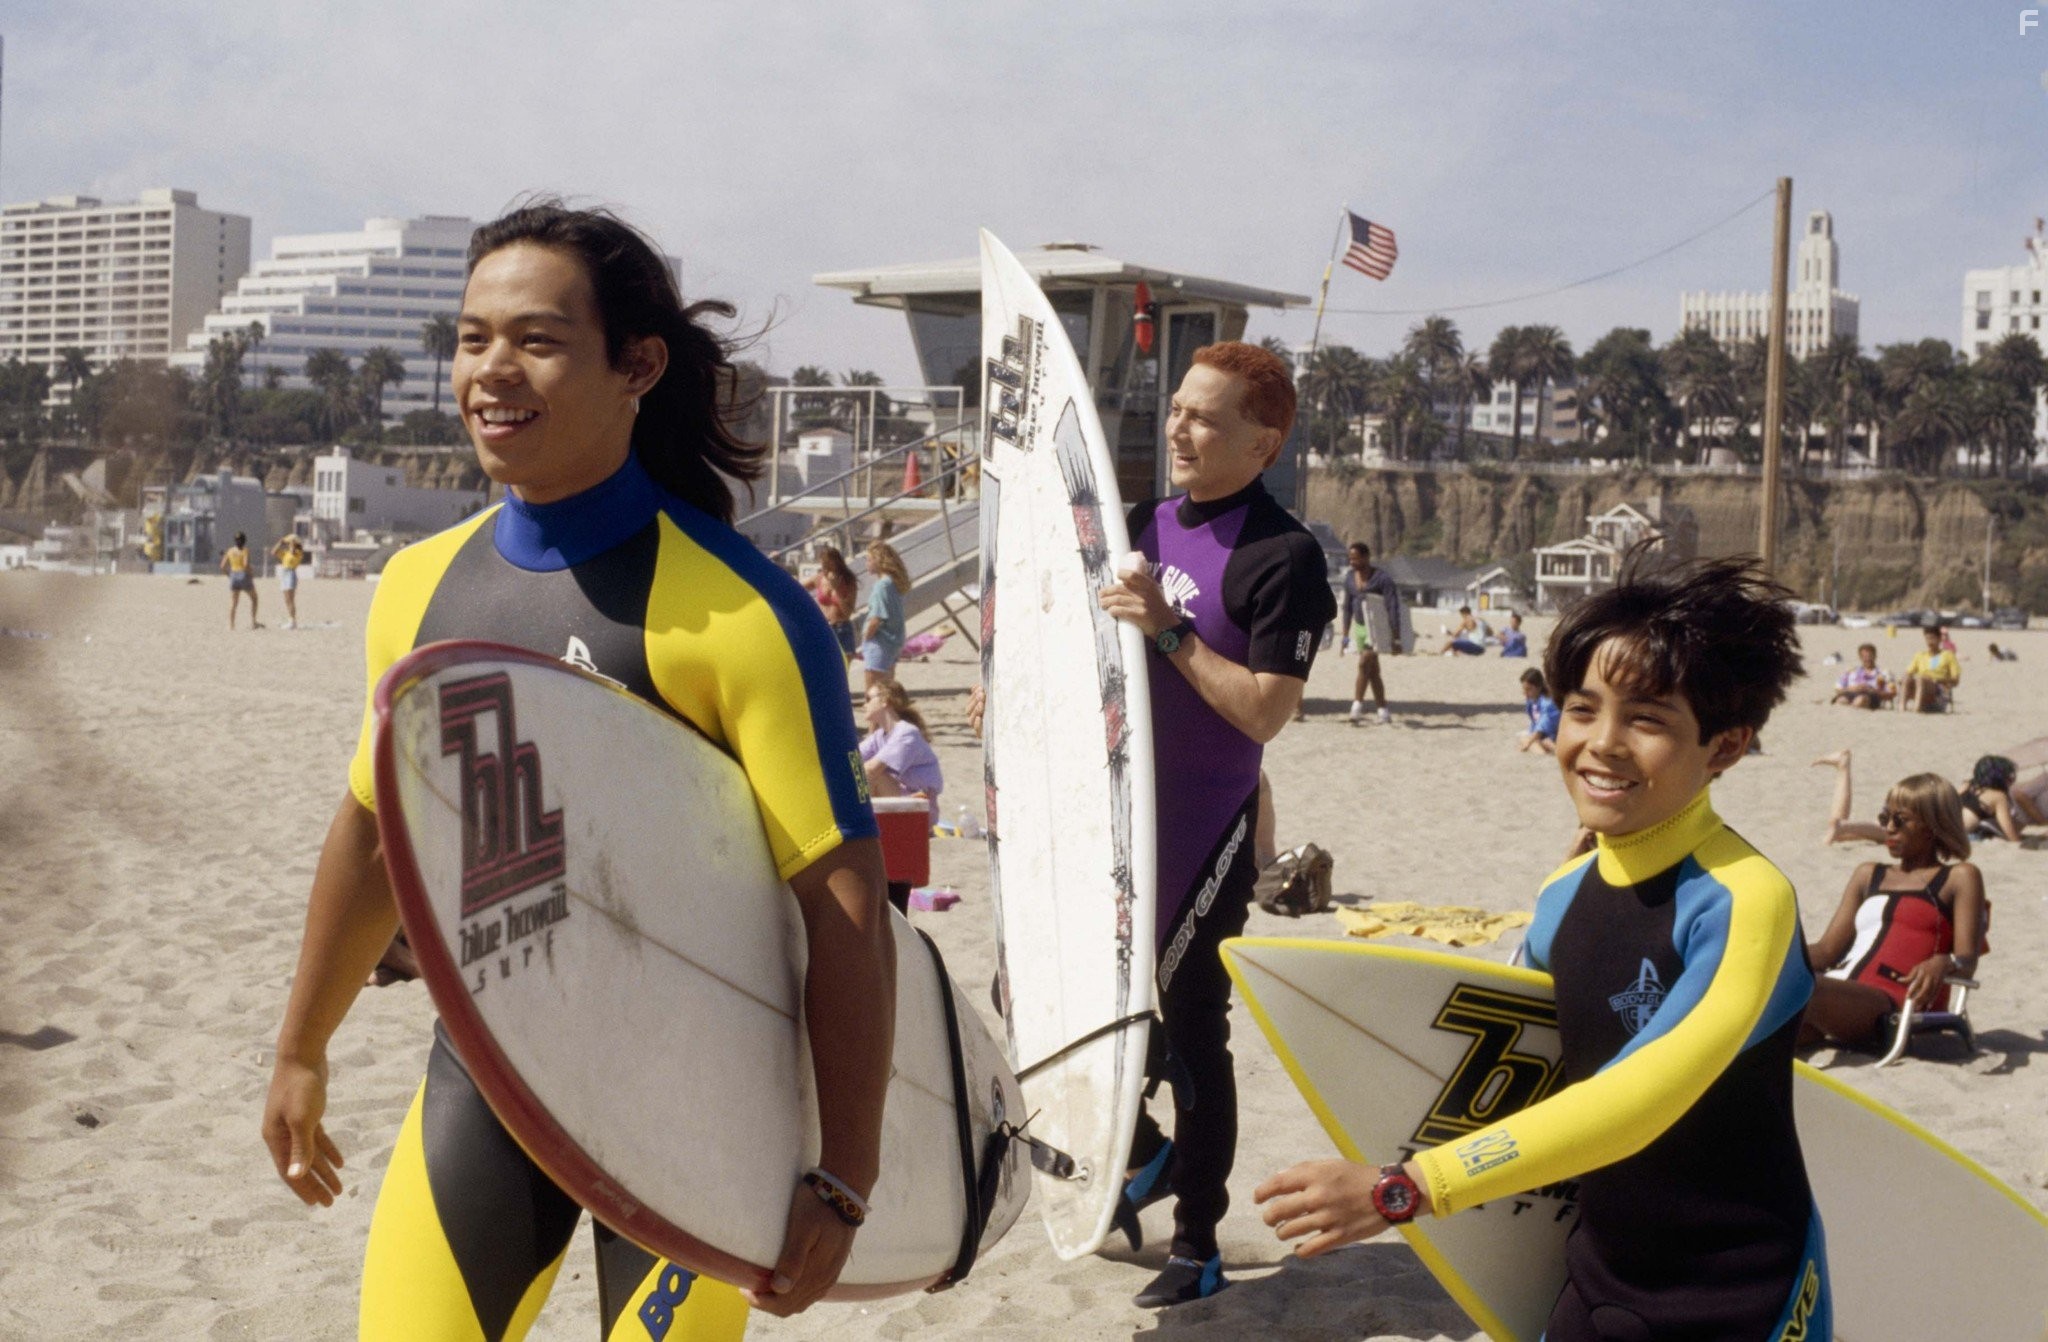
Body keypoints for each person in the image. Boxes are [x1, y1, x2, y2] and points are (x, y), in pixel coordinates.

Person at [259, 201, 894, 1341]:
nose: (491, 370)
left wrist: (842, 1171)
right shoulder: (416, 586)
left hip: (699, 1112)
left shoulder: (740, 613)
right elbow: (369, 830)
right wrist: (302, 1048)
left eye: (537, 339)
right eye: (470, 338)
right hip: (487, 1079)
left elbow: (843, 900)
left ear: (635, 365)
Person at [1255, 552, 1827, 1340]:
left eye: (1649, 718)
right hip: (1591, 1280)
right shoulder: (1565, 895)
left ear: (1725, 747)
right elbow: (1512, 1066)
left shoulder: (1744, 899)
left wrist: (1410, 1188)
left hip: (1740, 1293)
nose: (1603, 744)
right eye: (1583, 710)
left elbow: (1649, 1092)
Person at [1096, 341, 1336, 1307]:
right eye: (1178, 410)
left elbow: (1266, 712)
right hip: (1117, 826)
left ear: (1264, 441)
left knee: (1194, 1034)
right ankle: (1146, 1154)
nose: (1179, 428)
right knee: (1049, 994)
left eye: (1206, 417)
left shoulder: (1285, 557)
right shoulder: (1142, 525)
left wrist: (1167, 627)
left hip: (1207, 832)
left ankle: (1197, 1241)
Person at [1801, 774, 1985, 1049]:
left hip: (1891, 1002)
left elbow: (1967, 961)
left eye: (1899, 820)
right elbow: (1828, 951)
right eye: (1884, 817)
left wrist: (1943, 961)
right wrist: (1780, 957)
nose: (1888, 828)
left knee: (1801, 986)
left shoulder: (1959, 878)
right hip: (1836, 991)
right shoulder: (1868, 874)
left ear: (1931, 825)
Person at [858, 677, 943, 818]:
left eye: (868, 699)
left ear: (884, 700)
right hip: (904, 799)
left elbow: (870, 770)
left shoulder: (906, 733)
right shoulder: (879, 735)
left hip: (920, 807)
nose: (864, 705)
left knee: (872, 776)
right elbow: (853, 758)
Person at [1339, 541, 1402, 724]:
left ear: (1366, 557)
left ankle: (1356, 708)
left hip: (1377, 628)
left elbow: (1392, 606)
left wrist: (1395, 637)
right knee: (1372, 671)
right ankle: (1383, 711)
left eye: (1356, 558)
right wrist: (1344, 635)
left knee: (1364, 662)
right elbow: (1347, 608)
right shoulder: (1350, 578)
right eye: (1350, 558)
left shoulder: (1382, 579)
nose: (1352, 562)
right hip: (1359, 628)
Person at [860, 540, 909, 689]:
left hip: (880, 642)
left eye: (869, 560)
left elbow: (877, 618)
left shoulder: (882, 585)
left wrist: (867, 635)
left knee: (873, 691)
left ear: (878, 561)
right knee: (887, 691)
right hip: (893, 641)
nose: (866, 564)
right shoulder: (893, 582)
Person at [810, 544, 859, 662]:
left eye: (829, 566)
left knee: (843, 674)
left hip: (842, 628)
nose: (826, 570)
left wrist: (836, 589)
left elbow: (847, 613)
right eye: (823, 566)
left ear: (837, 564)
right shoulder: (819, 578)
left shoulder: (848, 581)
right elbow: (797, 587)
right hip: (824, 628)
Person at [1900, 624, 1959, 712]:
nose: (1929, 642)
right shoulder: (1920, 656)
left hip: (1939, 691)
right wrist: (1904, 678)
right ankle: (1902, 709)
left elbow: (1955, 680)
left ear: (1939, 639)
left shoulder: (1948, 655)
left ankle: (1917, 709)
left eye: (1932, 638)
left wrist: (1938, 680)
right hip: (1921, 687)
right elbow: (1908, 672)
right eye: (1927, 639)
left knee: (1921, 679)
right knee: (1907, 679)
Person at [1829, 642, 1894, 710]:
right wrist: (1852, 688)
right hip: (1851, 693)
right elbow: (1838, 689)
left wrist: (1872, 690)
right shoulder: (1851, 672)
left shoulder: (1884, 673)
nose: (1868, 659)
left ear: (1875, 656)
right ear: (1860, 657)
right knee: (1841, 700)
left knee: (1860, 700)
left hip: (1871, 696)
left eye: (1870, 656)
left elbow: (1892, 693)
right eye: (1865, 657)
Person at [221, 531, 261, 630]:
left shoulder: (230, 551)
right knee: (254, 598)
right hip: (243, 575)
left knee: (234, 603)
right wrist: (251, 573)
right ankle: (253, 622)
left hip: (233, 575)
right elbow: (246, 564)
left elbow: (222, 566)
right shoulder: (245, 550)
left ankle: (231, 625)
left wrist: (229, 575)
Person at [1516, 666, 1559, 755]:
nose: (1525, 693)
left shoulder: (1548, 703)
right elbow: (1535, 724)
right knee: (1524, 738)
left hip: (1555, 734)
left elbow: (1542, 727)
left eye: (1529, 689)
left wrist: (1528, 743)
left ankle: (1550, 749)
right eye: (1524, 689)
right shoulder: (1532, 700)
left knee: (1532, 742)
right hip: (1544, 735)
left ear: (1539, 687)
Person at [271, 534, 307, 629]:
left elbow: (293, 551)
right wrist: (280, 542)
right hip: (284, 574)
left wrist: (291, 541)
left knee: (290, 599)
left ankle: (293, 621)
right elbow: (273, 552)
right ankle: (291, 619)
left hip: (290, 573)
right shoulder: (286, 553)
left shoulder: (298, 552)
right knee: (287, 599)